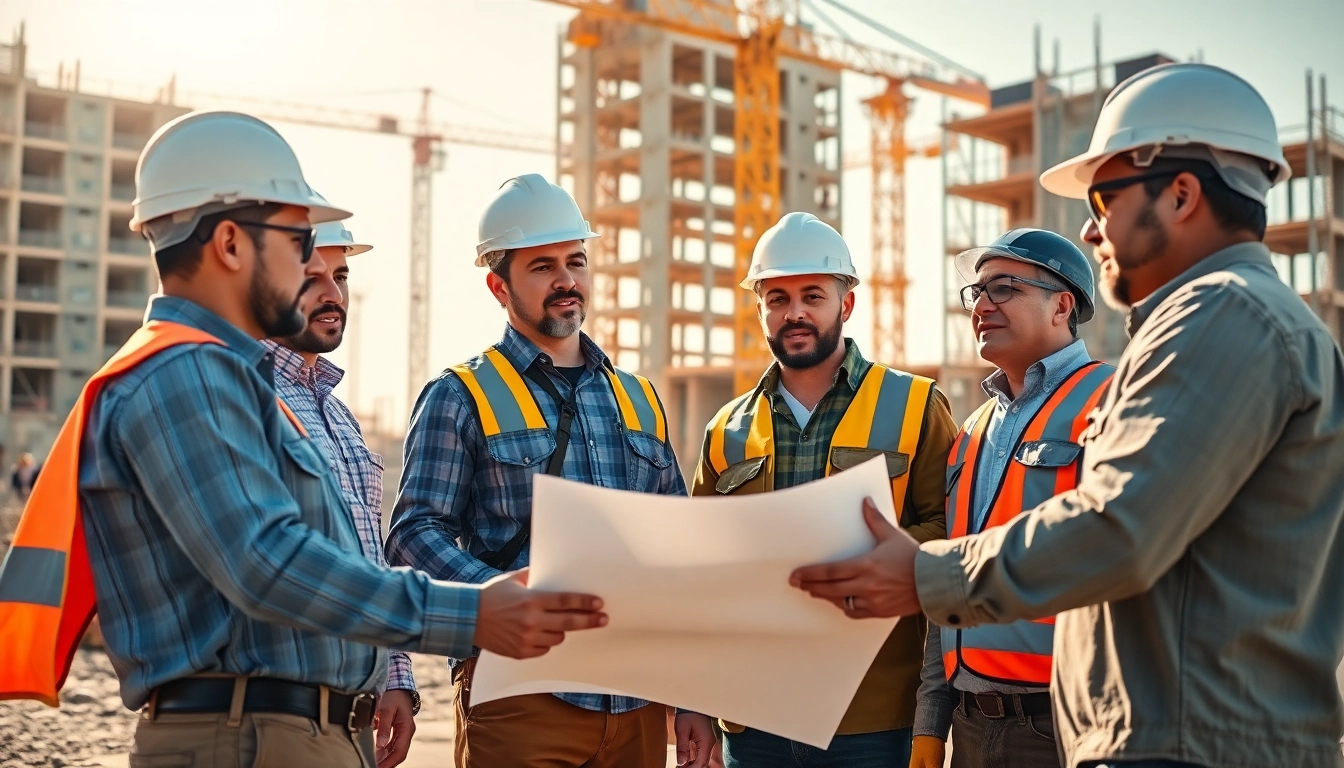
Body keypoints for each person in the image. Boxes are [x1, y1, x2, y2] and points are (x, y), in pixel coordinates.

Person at [0, 112, 608, 768]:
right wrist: (472, 614)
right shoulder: (185, 372)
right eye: (297, 240)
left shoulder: (227, 379)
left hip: (291, 729)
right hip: (248, 735)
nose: (309, 262)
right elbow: (267, 563)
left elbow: (334, 556)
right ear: (231, 243)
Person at [791, 63, 1344, 768]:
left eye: (1104, 197)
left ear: (1181, 194)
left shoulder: (1221, 313)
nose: (1089, 230)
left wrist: (926, 577)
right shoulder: (1236, 319)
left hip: (1190, 746)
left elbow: (1121, 527)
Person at [387, 173, 706, 768]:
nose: (566, 280)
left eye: (575, 261)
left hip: (636, 700)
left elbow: (677, 553)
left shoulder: (639, 398)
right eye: (541, 267)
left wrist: (692, 696)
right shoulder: (460, 394)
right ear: (497, 285)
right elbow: (412, 535)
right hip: (522, 694)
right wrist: (502, 601)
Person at [691, 212, 958, 768]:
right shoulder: (727, 429)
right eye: (777, 298)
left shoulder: (915, 405)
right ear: (761, 308)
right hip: (753, 718)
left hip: (872, 720)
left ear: (846, 303)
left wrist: (869, 559)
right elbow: (699, 574)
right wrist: (692, 703)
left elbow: (957, 532)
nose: (795, 313)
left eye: (812, 295)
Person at [910, 228, 1113, 768]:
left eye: (1004, 288)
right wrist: (931, 721)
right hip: (971, 728)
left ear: (1061, 305)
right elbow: (949, 578)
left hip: (1069, 730)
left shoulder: (1114, 402)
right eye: (975, 293)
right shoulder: (970, 433)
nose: (981, 305)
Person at [264, 216, 421, 768]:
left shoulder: (340, 417)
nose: (334, 295)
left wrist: (396, 675)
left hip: (348, 714)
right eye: (313, 276)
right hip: (276, 711)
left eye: (343, 275)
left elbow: (370, 556)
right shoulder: (247, 395)